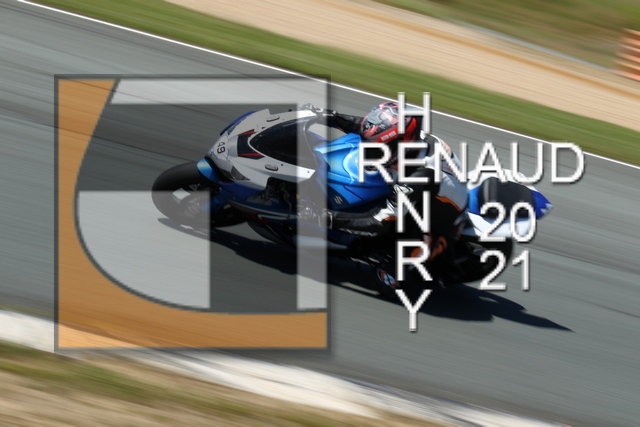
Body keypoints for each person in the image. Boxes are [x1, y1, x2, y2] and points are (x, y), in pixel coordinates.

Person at [299, 102, 468, 293]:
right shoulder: (407, 139)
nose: (368, 150)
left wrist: (325, 217)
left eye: (376, 149)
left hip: (437, 223)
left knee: (387, 281)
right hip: (419, 193)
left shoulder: (416, 177)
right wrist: (325, 115)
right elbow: (365, 128)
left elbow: (380, 222)